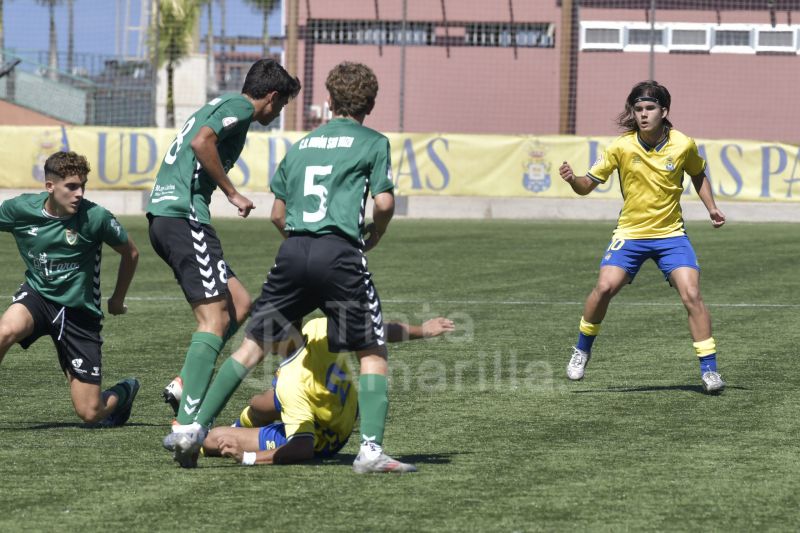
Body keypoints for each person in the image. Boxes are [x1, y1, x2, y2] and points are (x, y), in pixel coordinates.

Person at [163, 61, 406, 473]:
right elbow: (383, 202)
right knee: (372, 349)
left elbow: (278, 213)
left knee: (251, 347)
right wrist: (376, 233)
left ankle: (192, 428)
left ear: (328, 102)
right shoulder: (373, 142)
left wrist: (302, 249)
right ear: (371, 103)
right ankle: (370, 451)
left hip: (293, 251)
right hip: (340, 253)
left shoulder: (303, 145)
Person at [146, 59, 301, 430]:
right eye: (280, 106)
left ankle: (185, 383)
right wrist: (232, 193)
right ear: (272, 96)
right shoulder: (241, 108)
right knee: (214, 320)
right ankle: (187, 424)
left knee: (241, 304)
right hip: (184, 217)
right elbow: (202, 142)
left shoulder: (218, 105)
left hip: (169, 217)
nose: (278, 113)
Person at [558, 80, 726, 394]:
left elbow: (697, 173)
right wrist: (572, 180)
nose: (644, 114)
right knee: (604, 287)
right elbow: (586, 185)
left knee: (691, 295)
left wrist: (712, 208)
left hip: (671, 236)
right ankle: (582, 349)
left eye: (650, 108)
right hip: (630, 235)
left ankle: (710, 371)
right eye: (638, 109)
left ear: (664, 111)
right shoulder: (620, 147)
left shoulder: (682, 144)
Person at [196, 317, 453, 466]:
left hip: (322, 440)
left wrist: (249, 457)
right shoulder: (318, 327)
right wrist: (423, 330)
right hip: (345, 414)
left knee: (212, 438)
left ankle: (225, 432)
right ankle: (241, 422)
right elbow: (374, 329)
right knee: (259, 403)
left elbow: (303, 449)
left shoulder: (291, 384)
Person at [0, 151, 140, 426]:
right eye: (71, 186)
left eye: (83, 186)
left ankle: (125, 391)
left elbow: (131, 253)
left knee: (90, 413)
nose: (79, 193)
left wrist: (117, 298)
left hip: (79, 313)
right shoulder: (20, 210)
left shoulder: (96, 217)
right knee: (5, 331)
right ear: (50, 187)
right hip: (38, 296)